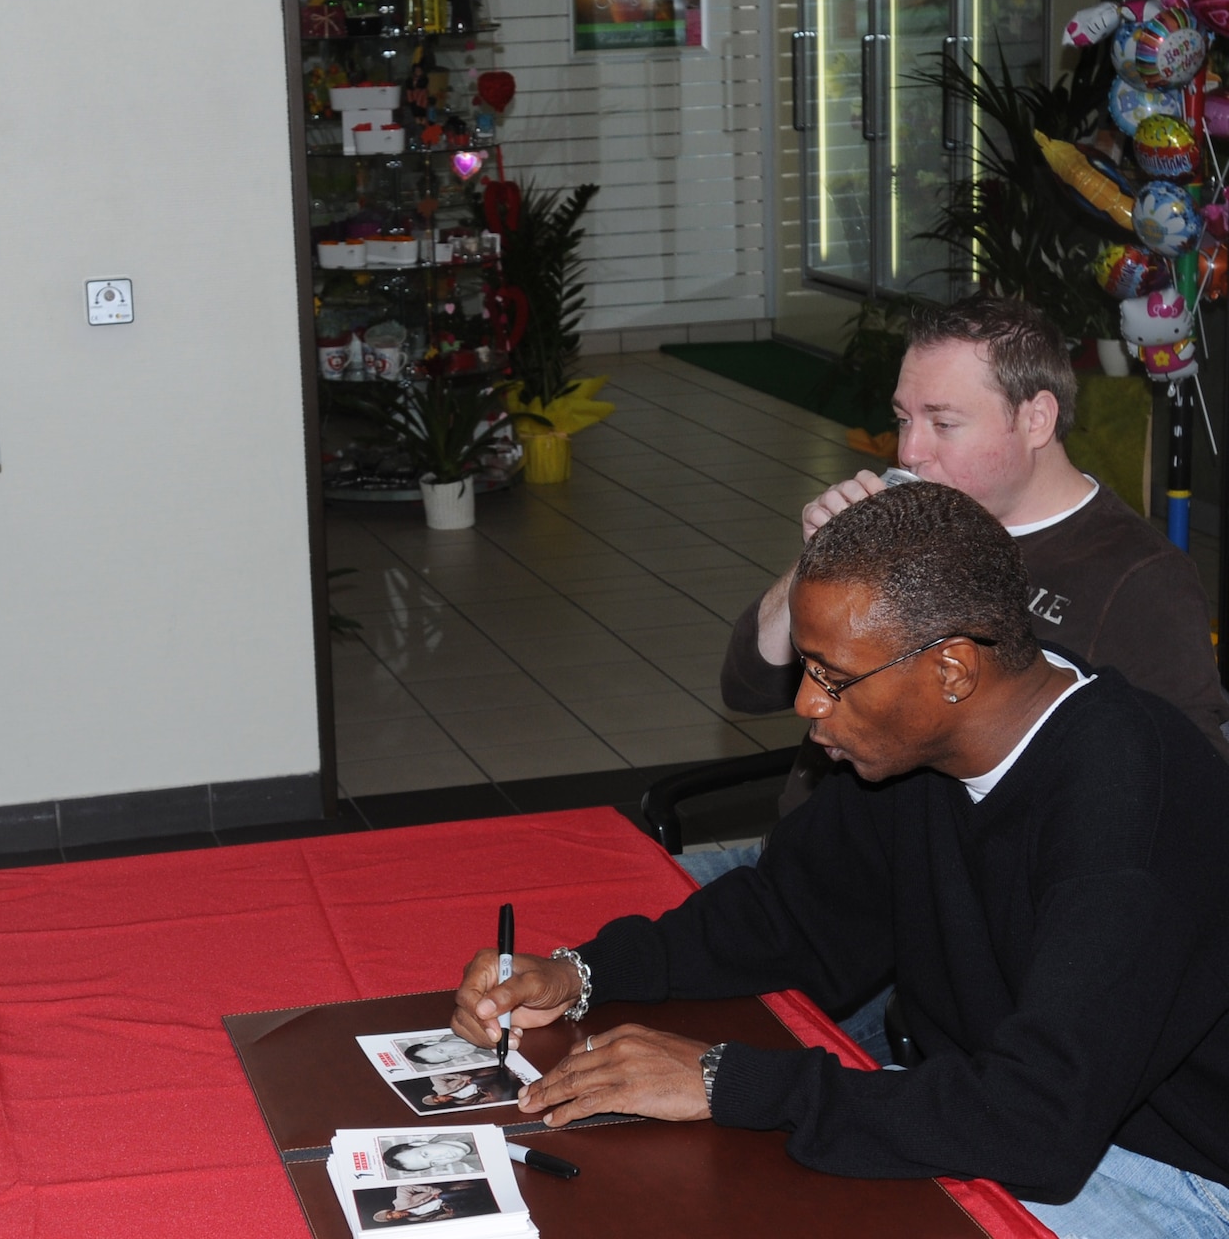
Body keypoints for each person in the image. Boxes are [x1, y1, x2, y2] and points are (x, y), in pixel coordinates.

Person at [452, 483, 1229, 1234]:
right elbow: (788, 915)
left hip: (1165, 1168)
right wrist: (582, 974)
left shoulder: (1131, 810)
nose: (806, 705)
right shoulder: (922, 743)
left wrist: (726, 1080)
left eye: (832, 677)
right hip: (1000, 1108)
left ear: (951, 670)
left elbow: (1039, 1122)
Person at [721, 294, 1228, 763]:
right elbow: (749, 688)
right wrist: (821, 557)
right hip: (821, 847)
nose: (910, 452)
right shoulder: (907, 527)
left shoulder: (1139, 579)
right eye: (904, 419)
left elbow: (1191, 778)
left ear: (1037, 421)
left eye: (943, 424)